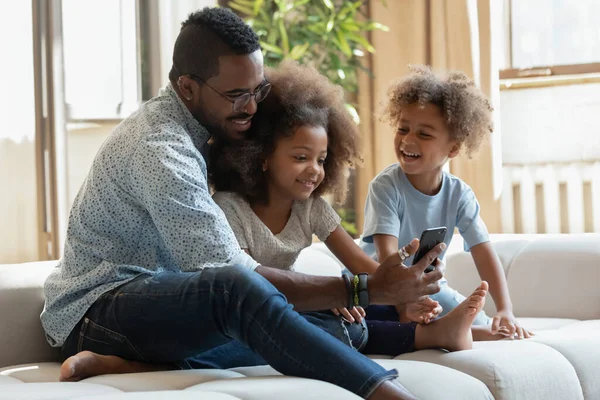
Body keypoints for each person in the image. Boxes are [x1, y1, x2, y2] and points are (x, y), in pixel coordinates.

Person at [40, 8, 452, 400]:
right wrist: (366, 288)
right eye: (237, 95)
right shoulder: (159, 149)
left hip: (162, 309)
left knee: (336, 329)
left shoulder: (202, 132)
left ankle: (130, 365)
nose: (252, 107)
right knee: (237, 287)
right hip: (96, 312)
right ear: (187, 87)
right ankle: (388, 393)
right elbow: (235, 276)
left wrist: (355, 296)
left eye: (257, 90)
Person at [209, 59, 489, 357]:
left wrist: (402, 296)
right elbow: (252, 283)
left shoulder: (311, 208)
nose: (314, 170)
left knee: (363, 308)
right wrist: (326, 294)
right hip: (248, 312)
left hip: (289, 302)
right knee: (328, 322)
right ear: (261, 156)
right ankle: (429, 336)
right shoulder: (230, 209)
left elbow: (365, 267)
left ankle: (439, 330)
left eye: (321, 160)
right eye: (301, 157)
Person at [360, 65, 534, 341]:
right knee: (378, 316)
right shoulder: (386, 186)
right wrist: (406, 303)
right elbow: (386, 258)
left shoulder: (459, 194)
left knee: (483, 320)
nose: (407, 139)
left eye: (424, 134)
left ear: (452, 149)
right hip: (378, 285)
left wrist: (505, 309)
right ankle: (438, 329)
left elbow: (483, 251)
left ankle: (469, 330)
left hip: (426, 287)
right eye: (403, 128)